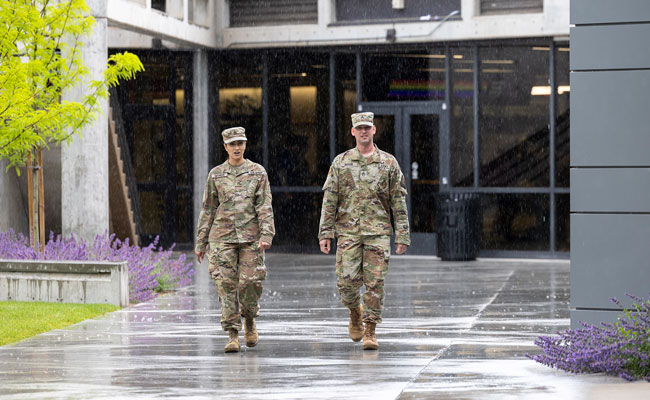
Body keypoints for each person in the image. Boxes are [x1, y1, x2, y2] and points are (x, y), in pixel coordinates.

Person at [318, 112, 410, 351]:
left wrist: (402, 234)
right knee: (346, 283)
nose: (363, 132)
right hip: (348, 233)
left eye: (367, 127)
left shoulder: (388, 163)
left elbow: (397, 201)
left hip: (378, 233)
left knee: (375, 283)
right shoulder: (341, 162)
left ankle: (370, 330)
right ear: (352, 132)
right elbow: (330, 200)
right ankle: (354, 312)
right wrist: (325, 232)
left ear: (374, 129)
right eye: (359, 128)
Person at [195, 127, 275, 353]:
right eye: (232, 144)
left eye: (240, 143)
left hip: (251, 238)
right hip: (222, 238)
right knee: (226, 285)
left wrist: (267, 233)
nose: (237, 147)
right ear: (225, 147)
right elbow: (208, 209)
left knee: (249, 283)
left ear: (245, 144)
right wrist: (201, 242)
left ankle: (249, 317)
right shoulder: (216, 175)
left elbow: (264, 206)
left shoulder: (258, 173)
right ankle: (232, 334)